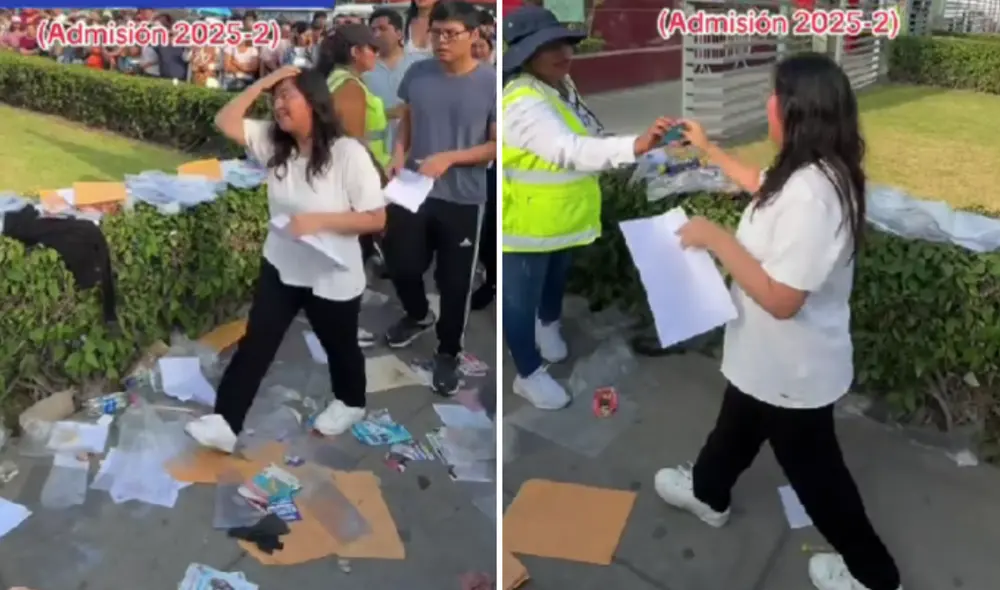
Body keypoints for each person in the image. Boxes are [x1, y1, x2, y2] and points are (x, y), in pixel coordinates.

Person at [653, 53, 901, 590]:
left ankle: (875, 577)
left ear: (798, 110)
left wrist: (716, 239)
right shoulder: (809, 171)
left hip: (792, 369)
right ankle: (708, 492)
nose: (768, 103)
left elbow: (783, 299)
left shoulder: (813, 195)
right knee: (737, 423)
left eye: (775, 95)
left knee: (818, 477)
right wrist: (708, 148)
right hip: (766, 359)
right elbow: (758, 182)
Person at [184, 66, 387, 453]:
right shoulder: (273, 143)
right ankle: (226, 422)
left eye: (288, 95)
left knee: (340, 345)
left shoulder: (348, 154)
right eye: (275, 98)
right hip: (282, 264)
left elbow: (376, 218)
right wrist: (267, 81)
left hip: (331, 273)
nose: (279, 105)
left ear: (314, 101)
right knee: (257, 342)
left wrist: (319, 221)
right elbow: (225, 120)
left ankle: (351, 402)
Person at [501, 6, 670, 409]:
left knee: (554, 282)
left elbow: (590, 134)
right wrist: (635, 146)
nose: (564, 53)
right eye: (549, 47)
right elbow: (569, 150)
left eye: (566, 44)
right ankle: (527, 373)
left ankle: (548, 326)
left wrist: (645, 153)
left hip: (561, 218)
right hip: (526, 225)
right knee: (519, 303)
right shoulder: (522, 102)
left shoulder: (559, 86)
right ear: (525, 55)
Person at [382, 0, 496, 395]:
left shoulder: (490, 83)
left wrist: (450, 158)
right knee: (401, 264)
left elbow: (496, 146)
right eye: (436, 33)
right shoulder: (418, 73)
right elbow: (408, 120)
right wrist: (398, 154)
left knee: (454, 283)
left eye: (451, 34)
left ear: (474, 35)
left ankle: (449, 352)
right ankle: (418, 315)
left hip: (463, 199)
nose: (442, 41)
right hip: (414, 189)